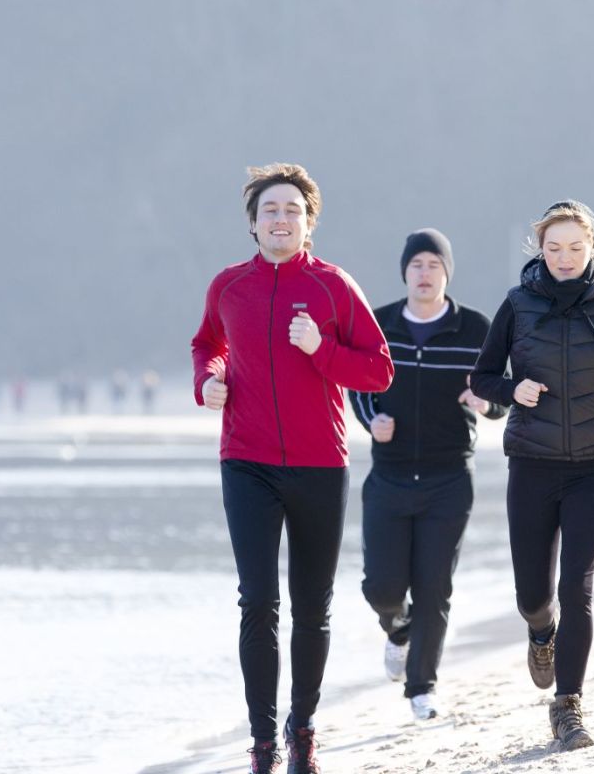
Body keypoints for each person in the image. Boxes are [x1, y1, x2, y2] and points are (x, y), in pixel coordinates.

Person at [191, 163, 394, 774]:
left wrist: (320, 349)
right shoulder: (228, 286)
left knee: (312, 606)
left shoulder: (334, 287)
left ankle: (301, 729)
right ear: (253, 224)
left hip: (319, 465)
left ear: (310, 224)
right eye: (270, 210)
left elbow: (378, 370)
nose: (281, 219)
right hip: (246, 463)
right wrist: (208, 381)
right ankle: (261, 741)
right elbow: (207, 343)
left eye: (293, 211)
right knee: (257, 600)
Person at [470, 200, 594, 751]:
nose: (565, 257)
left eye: (576, 247)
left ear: (592, 247)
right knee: (535, 594)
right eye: (554, 248)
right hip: (531, 461)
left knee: (577, 587)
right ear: (540, 249)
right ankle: (538, 631)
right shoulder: (518, 304)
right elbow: (483, 377)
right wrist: (511, 390)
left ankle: (568, 707)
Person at [347, 228, 507, 722]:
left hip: (449, 477)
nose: (424, 273)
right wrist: (371, 419)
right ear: (405, 272)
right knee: (381, 588)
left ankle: (422, 686)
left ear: (446, 272)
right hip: (390, 476)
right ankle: (397, 628)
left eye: (433, 265)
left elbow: (500, 390)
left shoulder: (475, 329)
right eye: (416, 264)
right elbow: (355, 382)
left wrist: (488, 403)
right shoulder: (380, 325)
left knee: (434, 585)